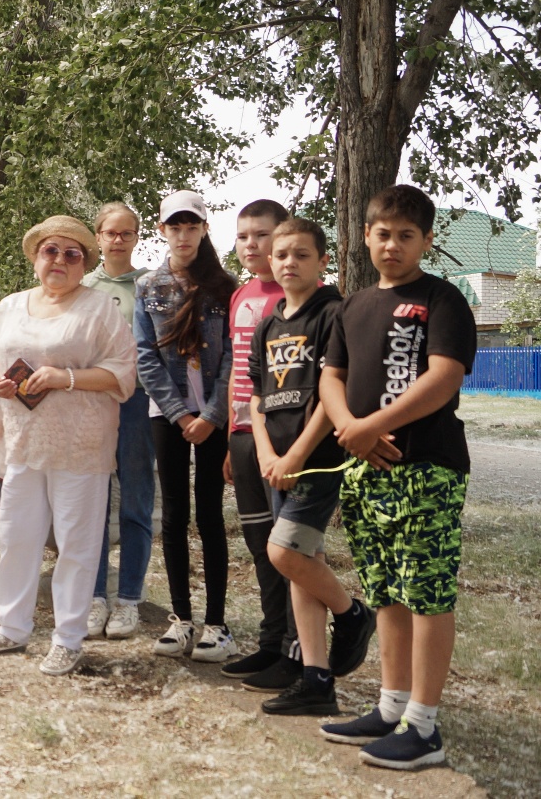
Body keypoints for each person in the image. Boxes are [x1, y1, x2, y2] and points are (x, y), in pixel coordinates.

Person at [318, 185, 476, 770]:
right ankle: (392, 706)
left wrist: (373, 425)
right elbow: (331, 378)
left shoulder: (443, 300)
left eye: (407, 236)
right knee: (385, 589)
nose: (393, 245)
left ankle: (425, 727)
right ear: (364, 236)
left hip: (426, 468)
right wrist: (350, 429)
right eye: (382, 234)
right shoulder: (351, 306)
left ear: (426, 242)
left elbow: (444, 376)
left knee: (427, 593)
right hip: (365, 472)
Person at [0, 216, 136, 676]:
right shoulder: (11, 305)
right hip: (22, 443)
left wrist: (68, 378)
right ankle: (12, 630)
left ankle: (68, 639)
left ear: (85, 263)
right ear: (36, 258)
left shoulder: (100, 310)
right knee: (16, 538)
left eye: (71, 253)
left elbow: (123, 373)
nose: (59, 260)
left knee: (77, 545)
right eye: (50, 251)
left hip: (80, 446)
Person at [248, 216, 376, 717]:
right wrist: (266, 454)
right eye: (281, 255)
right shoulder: (268, 324)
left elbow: (332, 392)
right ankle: (316, 680)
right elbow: (259, 399)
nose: (289, 263)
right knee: (304, 566)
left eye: (302, 254)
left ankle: (352, 615)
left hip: (319, 462)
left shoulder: (333, 314)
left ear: (323, 261)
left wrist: (298, 454)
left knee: (284, 553)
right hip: (277, 461)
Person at [135, 190, 237, 662]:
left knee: (211, 516)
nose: (182, 234)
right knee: (174, 516)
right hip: (168, 415)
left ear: (203, 229)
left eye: (190, 226)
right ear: (162, 231)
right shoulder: (147, 287)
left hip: (214, 418)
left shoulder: (224, 286)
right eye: (173, 227)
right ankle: (181, 619)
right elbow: (146, 358)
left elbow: (236, 356)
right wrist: (180, 414)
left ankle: (217, 623)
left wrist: (212, 416)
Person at [221, 199, 304, 689]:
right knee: (257, 544)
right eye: (243, 236)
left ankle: (299, 650)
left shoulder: (296, 296)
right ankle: (272, 643)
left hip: (282, 441)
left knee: (288, 547)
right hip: (242, 437)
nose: (252, 245)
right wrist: (233, 437)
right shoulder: (241, 295)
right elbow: (237, 371)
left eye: (261, 235)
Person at [82, 202, 154, 641]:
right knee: (90, 504)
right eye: (110, 233)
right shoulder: (85, 285)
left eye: (126, 233)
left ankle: (128, 600)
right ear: (98, 237)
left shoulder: (150, 284)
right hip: (91, 404)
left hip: (138, 403)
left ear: (136, 237)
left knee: (135, 503)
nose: (118, 240)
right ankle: (92, 597)